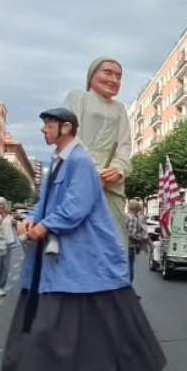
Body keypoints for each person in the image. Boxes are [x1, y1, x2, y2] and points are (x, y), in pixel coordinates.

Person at [0, 107, 166, 371]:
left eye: (49, 124)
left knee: (54, 341)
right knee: (56, 342)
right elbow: (46, 204)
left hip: (76, 270)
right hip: (59, 271)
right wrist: (32, 219)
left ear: (66, 127)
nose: (44, 129)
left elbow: (75, 207)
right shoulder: (59, 162)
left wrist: (43, 226)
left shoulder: (79, 162)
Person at [64, 57, 133, 240]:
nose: (114, 80)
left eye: (118, 76)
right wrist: (94, 171)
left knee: (114, 237)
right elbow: (69, 135)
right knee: (78, 234)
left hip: (112, 180)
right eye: (108, 73)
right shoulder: (78, 98)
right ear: (92, 75)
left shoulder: (120, 108)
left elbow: (125, 144)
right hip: (81, 172)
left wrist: (119, 168)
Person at [125, 199, 149, 283]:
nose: (139, 211)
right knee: (129, 267)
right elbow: (131, 235)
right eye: (139, 209)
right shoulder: (133, 219)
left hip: (122, 246)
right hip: (129, 247)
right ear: (136, 209)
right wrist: (142, 238)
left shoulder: (124, 216)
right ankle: (128, 285)